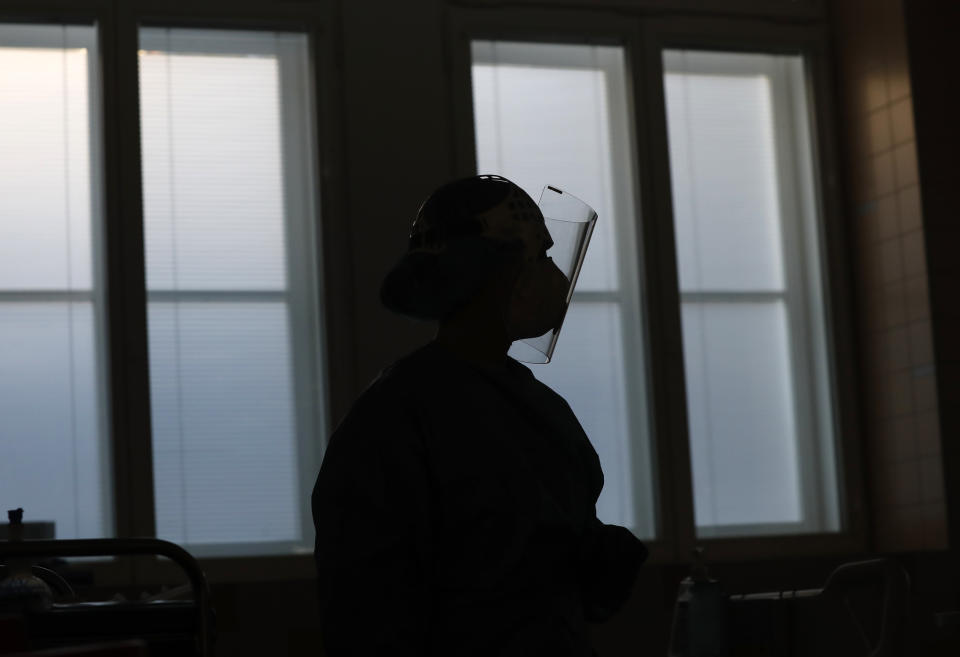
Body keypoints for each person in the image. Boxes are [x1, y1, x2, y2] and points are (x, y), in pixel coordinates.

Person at [312, 174, 648, 656]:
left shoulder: (537, 407)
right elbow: (369, 605)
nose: (556, 278)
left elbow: (550, 553)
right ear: (495, 271)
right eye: (542, 258)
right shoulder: (397, 417)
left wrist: (595, 559)